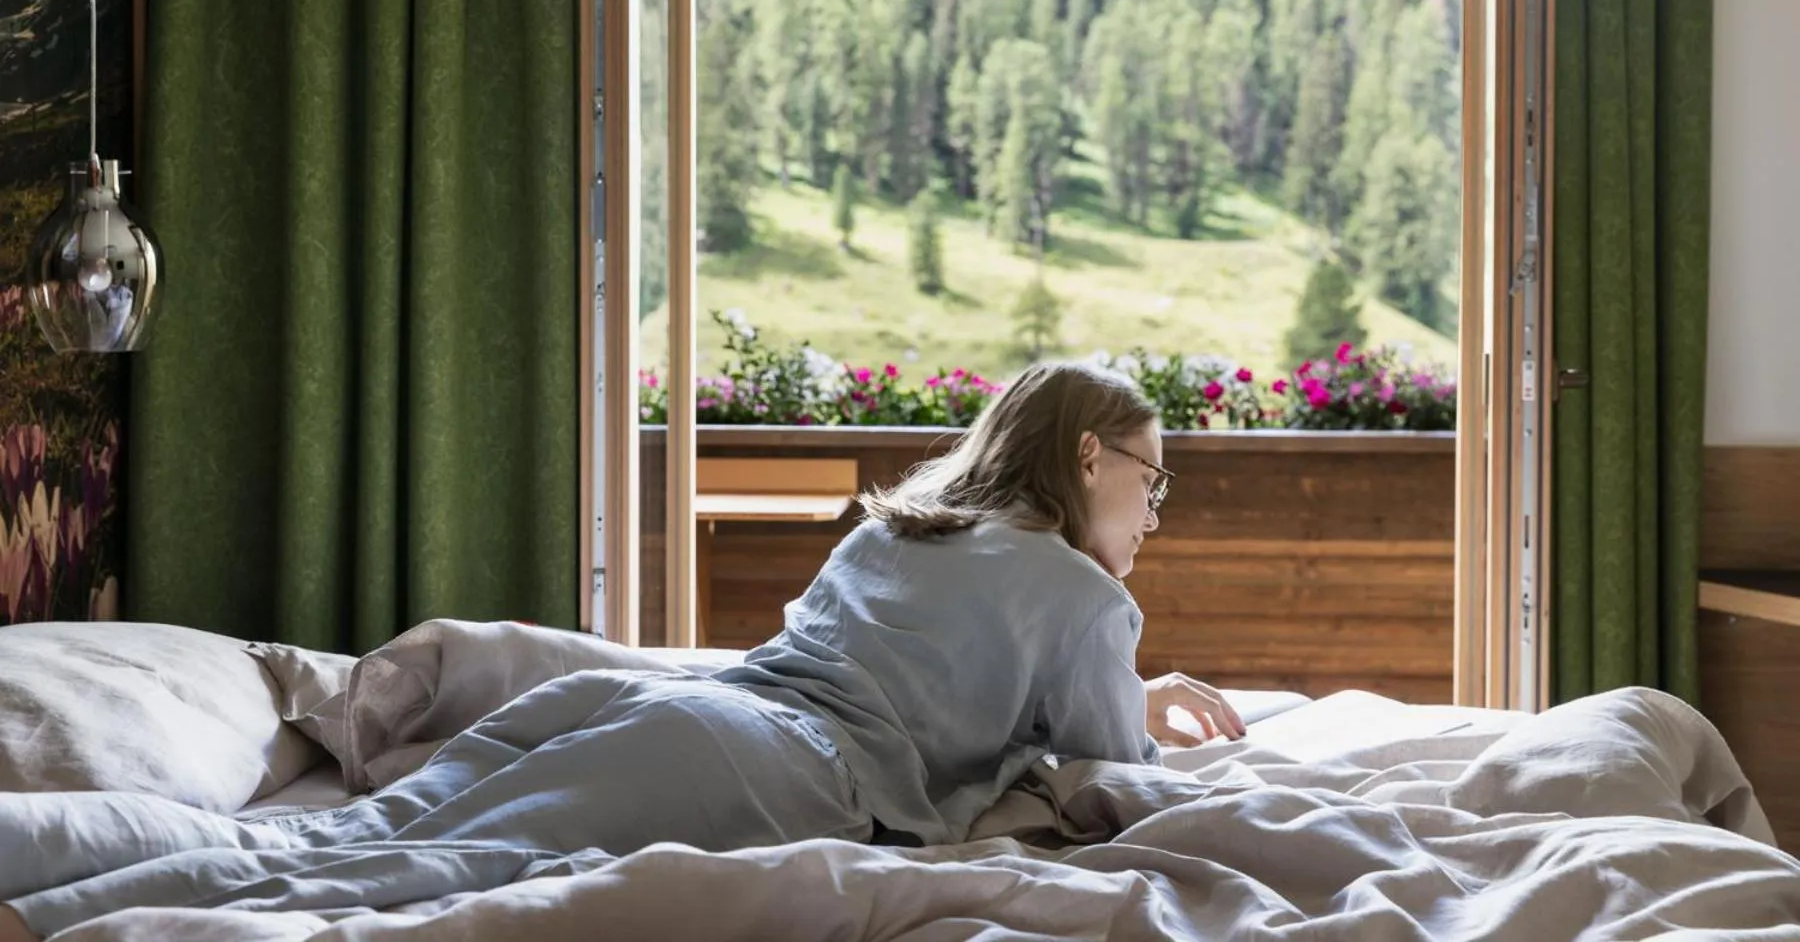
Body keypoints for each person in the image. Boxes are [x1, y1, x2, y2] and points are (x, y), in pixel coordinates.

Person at [0, 360, 1241, 941]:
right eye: (1153, 479)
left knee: (323, 839)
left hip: (653, 707)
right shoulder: (1080, 595)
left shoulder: (904, 530)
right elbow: (1105, 764)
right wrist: (1138, 682)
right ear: (1088, 457)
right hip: (767, 759)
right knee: (387, 877)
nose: (1153, 510)